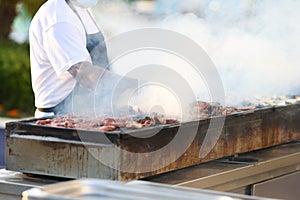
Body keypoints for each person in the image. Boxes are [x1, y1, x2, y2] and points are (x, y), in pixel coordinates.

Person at [29, 0, 135, 118]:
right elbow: (85, 74)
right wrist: (136, 85)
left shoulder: (79, 9)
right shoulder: (58, 19)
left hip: (86, 113)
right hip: (59, 118)